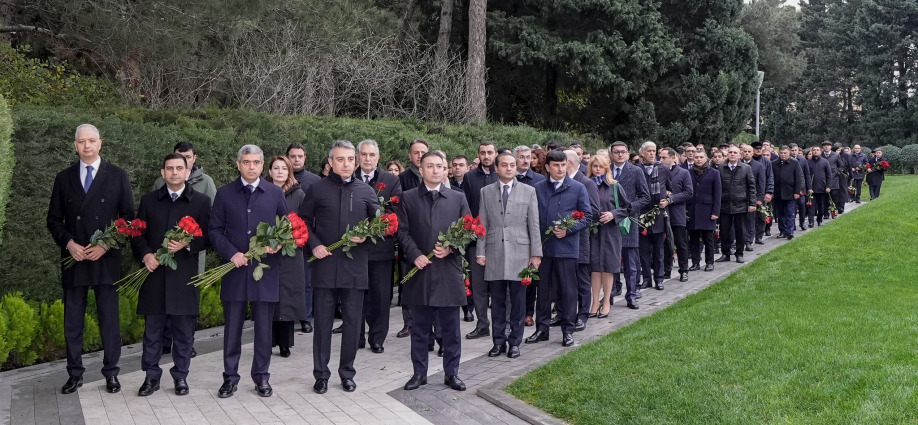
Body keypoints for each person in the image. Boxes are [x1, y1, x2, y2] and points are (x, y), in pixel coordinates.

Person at [47, 124, 135, 395]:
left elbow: (128, 219)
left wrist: (106, 245)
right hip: (75, 258)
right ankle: (74, 374)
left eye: (91, 140)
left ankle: (111, 373)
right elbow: (53, 219)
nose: (87, 145)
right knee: (73, 322)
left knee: (109, 320)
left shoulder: (117, 175)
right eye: (82, 141)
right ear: (75, 145)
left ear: (100, 143)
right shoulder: (63, 178)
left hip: (105, 259)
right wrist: (69, 243)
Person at [209, 144, 288, 398]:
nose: (251, 167)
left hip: (265, 272)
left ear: (262, 165)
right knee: (232, 328)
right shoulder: (224, 193)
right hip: (235, 270)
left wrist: (278, 244)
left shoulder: (275, 193)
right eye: (246, 162)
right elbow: (214, 230)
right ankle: (230, 378)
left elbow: (287, 228)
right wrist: (231, 253)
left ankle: (261, 377)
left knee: (264, 329)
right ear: (238, 164)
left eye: (255, 162)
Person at [132, 153, 211, 397]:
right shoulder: (148, 201)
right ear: (163, 172)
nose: (174, 172)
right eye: (169, 168)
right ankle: (151, 377)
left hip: (184, 277)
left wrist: (188, 245)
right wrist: (145, 255)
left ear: (187, 172)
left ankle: (181, 376)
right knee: (152, 332)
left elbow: (209, 236)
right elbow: (137, 234)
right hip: (154, 275)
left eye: (179, 168)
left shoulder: (201, 201)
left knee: (184, 333)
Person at [304, 140, 379, 394]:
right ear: (330, 162)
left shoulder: (366, 191)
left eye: (350, 159)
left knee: (353, 323)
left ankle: (347, 373)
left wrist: (367, 234)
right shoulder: (317, 189)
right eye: (340, 159)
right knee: (323, 324)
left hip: (354, 268)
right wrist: (314, 245)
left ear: (355, 162)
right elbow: (303, 221)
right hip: (325, 266)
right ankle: (321, 375)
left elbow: (380, 225)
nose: (346, 164)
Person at [397, 151, 471, 391]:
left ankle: (452, 373)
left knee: (451, 329)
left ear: (446, 170)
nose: (435, 170)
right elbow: (402, 232)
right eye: (430, 166)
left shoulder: (457, 198)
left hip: (448, 272)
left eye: (440, 166)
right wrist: (415, 254)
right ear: (421, 170)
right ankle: (419, 374)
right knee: (419, 328)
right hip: (420, 272)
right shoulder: (408, 198)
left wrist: (451, 248)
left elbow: (468, 230)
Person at [153, 141, 216, 359]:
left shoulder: (206, 183)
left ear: (193, 159)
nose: (183, 163)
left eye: (187, 158)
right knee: (163, 296)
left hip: (190, 255)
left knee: (187, 301)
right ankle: (164, 341)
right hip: (164, 254)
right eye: (179, 157)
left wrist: (189, 242)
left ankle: (187, 343)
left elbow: (211, 219)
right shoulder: (159, 184)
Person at [477, 153, 542, 359]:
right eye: (504, 165)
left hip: (520, 253)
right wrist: (480, 251)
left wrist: (536, 254)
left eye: (512, 165)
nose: (509, 168)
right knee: (497, 302)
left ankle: (515, 342)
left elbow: (534, 224)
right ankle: (498, 342)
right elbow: (482, 223)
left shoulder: (529, 191)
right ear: (496, 168)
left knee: (518, 302)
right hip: (494, 251)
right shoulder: (486, 191)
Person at [526, 150, 591, 347]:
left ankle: (568, 330)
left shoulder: (578, 188)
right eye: (556, 165)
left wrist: (568, 230)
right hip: (543, 249)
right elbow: (531, 217)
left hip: (566, 248)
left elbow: (587, 216)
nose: (561, 169)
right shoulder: (538, 188)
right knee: (543, 290)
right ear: (547, 167)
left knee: (568, 290)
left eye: (563, 165)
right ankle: (542, 329)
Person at [355, 140, 402, 354]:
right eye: (364, 154)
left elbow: (396, 212)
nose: (367, 158)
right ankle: (356, 336)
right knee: (355, 296)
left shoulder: (391, 180)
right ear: (358, 156)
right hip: (354, 249)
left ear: (378, 157)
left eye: (371, 154)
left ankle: (377, 337)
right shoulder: (349, 177)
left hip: (381, 249)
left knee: (381, 297)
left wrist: (374, 224)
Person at [266, 156, 307, 358]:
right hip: (267, 252)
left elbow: (305, 223)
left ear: (289, 171)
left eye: (284, 168)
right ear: (270, 171)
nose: (280, 171)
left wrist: (289, 240)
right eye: (276, 168)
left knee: (287, 299)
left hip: (290, 253)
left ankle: (285, 343)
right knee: (268, 298)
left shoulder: (298, 194)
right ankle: (267, 341)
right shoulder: (262, 192)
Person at [462, 141, 499, 340]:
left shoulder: (501, 174)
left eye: (490, 152)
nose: (486, 156)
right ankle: (482, 323)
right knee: (478, 286)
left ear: (495, 154)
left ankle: (503, 324)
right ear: (478, 155)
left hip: (498, 240)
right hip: (476, 240)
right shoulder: (469, 177)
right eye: (483, 153)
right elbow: (466, 207)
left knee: (500, 286)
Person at [608, 142, 650, 309]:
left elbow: (645, 197)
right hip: (609, 221)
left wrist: (628, 209)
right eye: (616, 152)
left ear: (627, 154)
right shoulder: (606, 169)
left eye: (623, 152)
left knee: (630, 262)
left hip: (628, 221)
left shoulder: (636, 171)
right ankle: (610, 294)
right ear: (611, 154)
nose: (620, 155)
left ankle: (631, 295)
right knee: (611, 261)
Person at [587, 155, 629, 317]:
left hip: (610, 232)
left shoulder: (614, 186)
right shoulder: (586, 185)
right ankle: (595, 302)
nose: (598, 169)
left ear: (606, 168)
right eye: (595, 166)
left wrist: (613, 214)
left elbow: (627, 207)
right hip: (592, 232)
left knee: (608, 267)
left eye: (601, 166)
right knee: (595, 267)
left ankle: (606, 302)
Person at [564, 149, 600, 331]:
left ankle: (583, 314)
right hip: (562, 241)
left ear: (570, 163)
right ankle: (564, 314)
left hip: (580, 239)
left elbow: (594, 212)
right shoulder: (561, 182)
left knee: (582, 279)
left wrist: (571, 222)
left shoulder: (586, 183)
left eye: (562, 162)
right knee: (565, 279)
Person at [287, 142, 320, 334]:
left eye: (300, 156)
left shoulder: (315, 181)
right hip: (283, 240)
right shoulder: (276, 179)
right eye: (293, 156)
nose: (296, 159)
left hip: (307, 238)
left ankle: (306, 317)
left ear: (305, 158)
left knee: (306, 281)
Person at [513, 145, 546, 327]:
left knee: (530, 276)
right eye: (521, 157)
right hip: (511, 234)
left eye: (528, 157)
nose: (525, 160)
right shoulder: (506, 178)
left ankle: (528, 312)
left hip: (532, 234)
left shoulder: (539, 180)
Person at [637, 142, 672, 290]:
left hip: (658, 215)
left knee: (659, 250)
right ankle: (646, 279)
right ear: (642, 153)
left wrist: (668, 200)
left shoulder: (663, 168)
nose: (652, 153)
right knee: (643, 251)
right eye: (649, 151)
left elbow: (671, 189)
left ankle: (659, 278)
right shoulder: (636, 169)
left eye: (654, 151)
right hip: (641, 215)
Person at [715, 146, 756, 264]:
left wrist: (752, 203)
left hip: (740, 204)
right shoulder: (721, 168)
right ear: (727, 154)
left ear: (739, 155)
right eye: (730, 152)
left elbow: (751, 187)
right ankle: (725, 253)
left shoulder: (746, 168)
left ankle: (739, 254)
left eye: (735, 152)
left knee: (740, 231)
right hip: (724, 204)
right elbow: (717, 187)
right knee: (724, 231)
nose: (732, 154)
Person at [660, 148, 693, 282]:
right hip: (661, 212)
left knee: (681, 243)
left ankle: (683, 270)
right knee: (664, 243)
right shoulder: (658, 171)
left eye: (664, 157)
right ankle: (666, 270)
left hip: (677, 213)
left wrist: (671, 199)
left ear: (673, 157)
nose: (661, 160)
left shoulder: (683, 172)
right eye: (660, 157)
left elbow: (689, 192)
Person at [686, 149, 721, 272]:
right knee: (693, 239)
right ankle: (695, 262)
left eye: (701, 157)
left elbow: (717, 194)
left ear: (706, 158)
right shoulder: (688, 172)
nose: (699, 159)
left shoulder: (714, 173)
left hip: (707, 210)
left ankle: (709, 262)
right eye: (696, 157)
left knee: (708, 239)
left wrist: (716, 211)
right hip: (692, 209)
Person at [741, 144, 771, 250]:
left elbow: (761, 183)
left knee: (751, 220)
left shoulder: (758, 166)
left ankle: (749, 241)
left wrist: (759, 198)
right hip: (739, 197)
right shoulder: (738, 164)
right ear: (742, 153)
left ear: (752, 153)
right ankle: (740, 240)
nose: (747, 153)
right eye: (745, 151)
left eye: (749, 151)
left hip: (753, 197)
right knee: (741, 221)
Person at [771, 146, 804, 241]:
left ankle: (790, 232)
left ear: (789, 153)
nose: (783, 155)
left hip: (790, 192)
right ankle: (782, 231)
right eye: (781, 153)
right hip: (778, 192)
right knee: (780, 213)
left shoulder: (794, 163)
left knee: (790, 213)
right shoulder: (774, 163)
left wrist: (797, 191)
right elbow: (771, 178)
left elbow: (798, 178)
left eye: (785, 153)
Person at [807, 146, 832, 227]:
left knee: (821, 206)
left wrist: (828, 186)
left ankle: (819, 220)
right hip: (811, 188)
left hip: (822, 188)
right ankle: (811, 221)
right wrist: (809, 187)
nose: (815, 151)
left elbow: (829, 175)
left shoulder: (825, 162)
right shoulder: (808, 162)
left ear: (820, 152)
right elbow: (806, 175)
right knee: (811, 205)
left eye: (817, 150)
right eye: (814, 150)